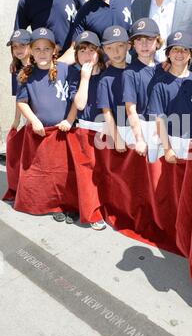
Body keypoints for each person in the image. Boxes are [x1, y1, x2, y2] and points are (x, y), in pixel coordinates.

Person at [16, 27, 78, 223]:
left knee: (66, 172)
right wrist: (33, 120)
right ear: (31, 51)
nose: (42, 53)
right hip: (42, 133)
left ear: (54, 50)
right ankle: (54, 204)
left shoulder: (65, 69)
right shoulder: (26, 74)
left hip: (64, 131)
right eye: (37, 49)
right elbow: (21, 102)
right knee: (47, 173)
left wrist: (69, 119)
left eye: (46, 48)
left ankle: (70, 204)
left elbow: (76, 99)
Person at [146, 31, 192, 163]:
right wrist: (168, 149)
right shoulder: (160, 84)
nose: (179, 54)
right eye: (175, 49)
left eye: (184, 50)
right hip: (170, 141)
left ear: (191, 54)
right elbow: (159, 119)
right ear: (168, 54)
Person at [70, 30, 107, 231]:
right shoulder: (75, 75)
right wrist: (84, 78)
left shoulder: (107, 72)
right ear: (77, 55)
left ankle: (108, 207)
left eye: (91, 50)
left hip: (106, 130)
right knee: (88, 174)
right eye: (82, 50)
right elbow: (80, 105)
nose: (87, 54)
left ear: (98, 52)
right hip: (85, 129)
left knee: (106, 173)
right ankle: (92, 212)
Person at [122, 17, 163, 157]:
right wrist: (139, 139)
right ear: (133, 44)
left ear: (158, 42)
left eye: (149, 39)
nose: (144, 44)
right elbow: (130, 109)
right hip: (143, 127)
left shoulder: (164, 68)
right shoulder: (130, 72)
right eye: (139, 40)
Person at [96, 25, 130, 153]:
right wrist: (117, 138)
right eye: (109, 48)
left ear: (128, 46)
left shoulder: (135, 71)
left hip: (142, 129)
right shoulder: (105, 79)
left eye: (120, 46)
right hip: (121, 129)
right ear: (104, 50)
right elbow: (107, 112)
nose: (115, 52)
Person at [7, 29, 32, 129]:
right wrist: (16, 120)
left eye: (22, 45)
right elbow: (19, 98)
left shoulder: (39, 66)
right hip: (27, 119)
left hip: (45, 117)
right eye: (15, 47)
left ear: (31, 46)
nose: (18, 49)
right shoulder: (16, 69)